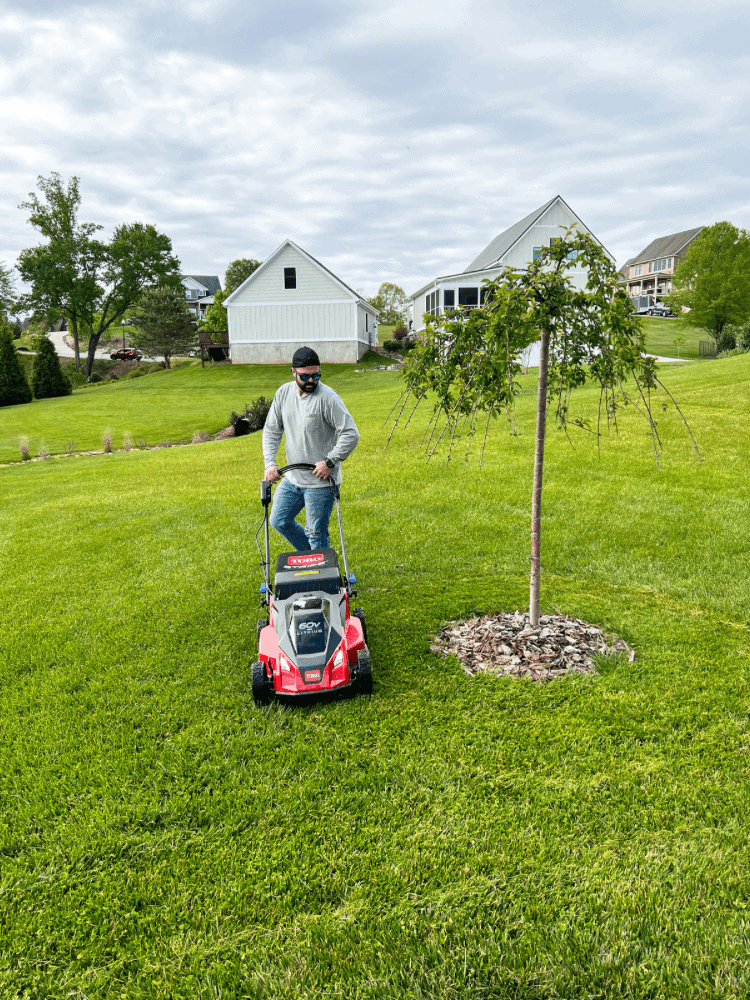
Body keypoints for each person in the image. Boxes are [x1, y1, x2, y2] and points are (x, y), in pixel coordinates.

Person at [262, 346, 360, 551]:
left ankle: (324, 579)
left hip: (321, 482)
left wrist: (330, 462)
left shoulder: (328, 398)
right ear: (293, 372)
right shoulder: (283, 393)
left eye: (316, 376)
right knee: (279, 521)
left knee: (316, 533)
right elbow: (271, 430)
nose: (311, 381)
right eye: (305, 376)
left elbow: (351, 433)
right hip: (292, 478)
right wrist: (270, 463)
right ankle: (316, 561)